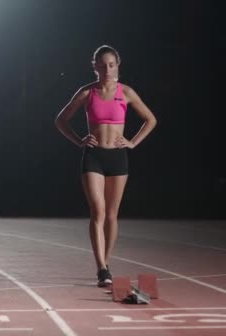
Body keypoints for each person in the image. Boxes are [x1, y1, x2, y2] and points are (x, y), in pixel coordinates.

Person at [54, 45, 157, 287]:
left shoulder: (127, 92)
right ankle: (101, 267)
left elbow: (150, 119)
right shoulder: (87, 92)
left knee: (111, 214)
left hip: (117, 157)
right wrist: (79, 140)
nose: (107, 69)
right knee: (98, 210)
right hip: (94, 156)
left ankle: (106, 263)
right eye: (102, 65)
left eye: (111, 65)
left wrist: (133, 142)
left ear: (118, 65)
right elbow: (60, 120)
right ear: (95, 67)